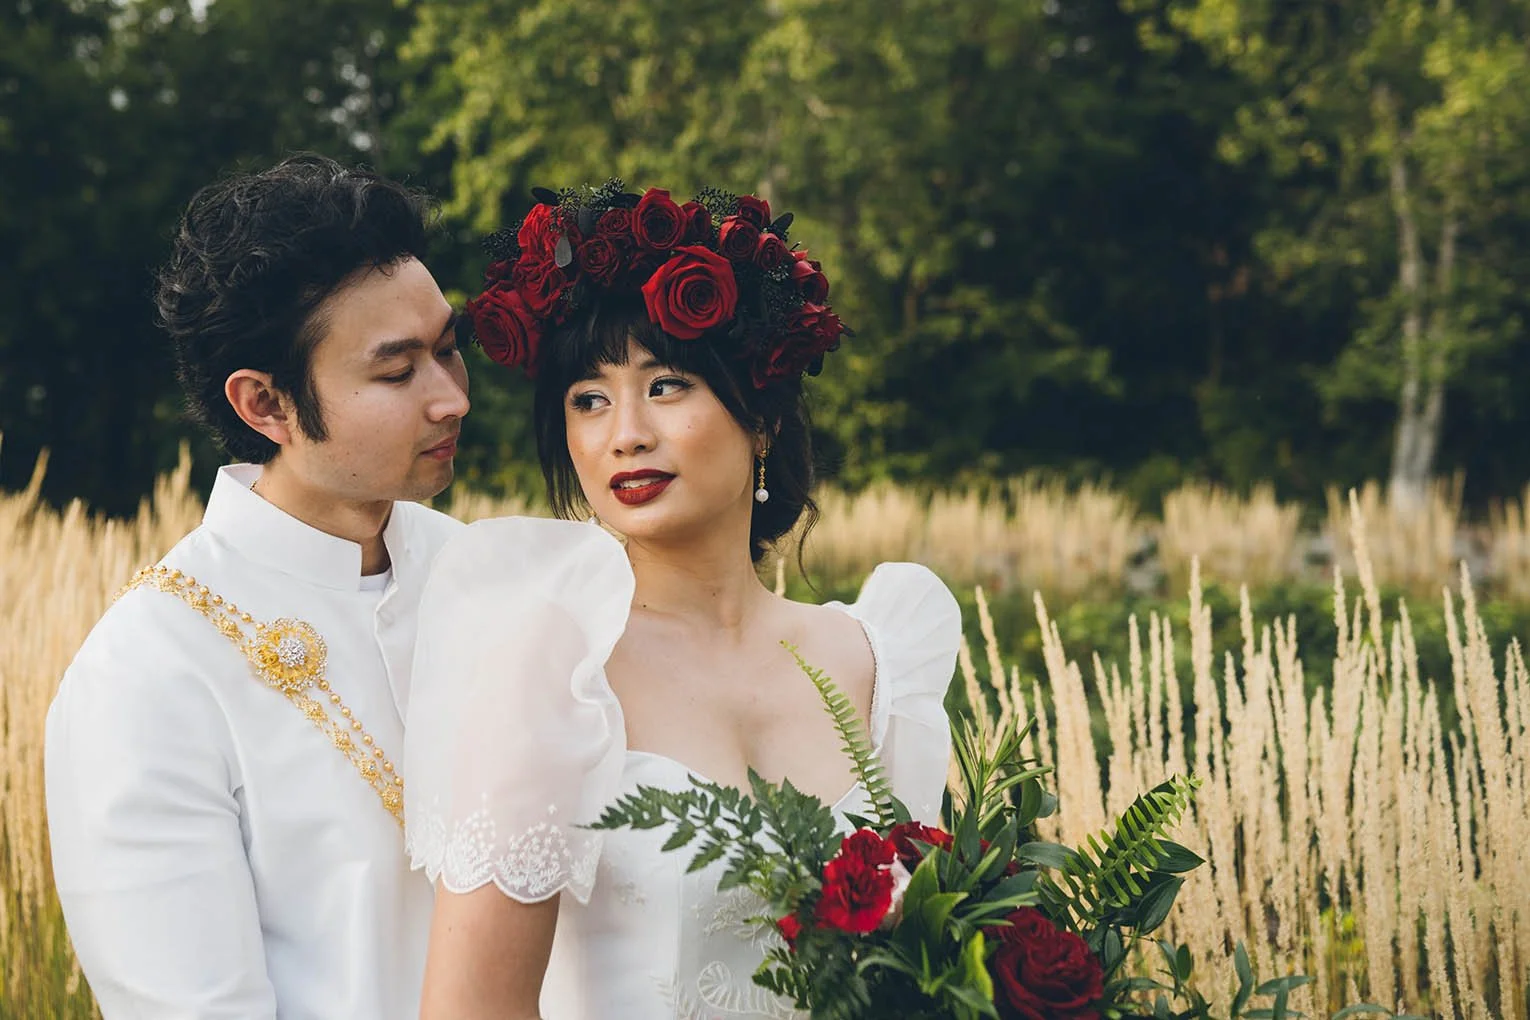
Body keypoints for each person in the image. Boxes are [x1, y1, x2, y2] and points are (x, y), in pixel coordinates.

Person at [403, 182, 960, 1018]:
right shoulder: (554, 671)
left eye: (665, 385)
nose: (625, 431)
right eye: (588, 400)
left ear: (761, 416)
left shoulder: (879, 660)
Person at [44, 154, 470, 1018]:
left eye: (448, 351)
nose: (450, 399)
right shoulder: (149, 671)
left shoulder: (484, 576)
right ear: (266, 406)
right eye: (397, 372)